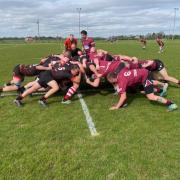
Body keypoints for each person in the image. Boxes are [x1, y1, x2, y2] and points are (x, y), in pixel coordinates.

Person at [107, 68, 178, 111]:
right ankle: (161, 91)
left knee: (151, 97)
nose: (112, 83)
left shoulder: (121, 81)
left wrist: (117, 107)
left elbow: (123, 96)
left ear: (113, 78)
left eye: (111, 82)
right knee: (142, 90)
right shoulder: (120, 74)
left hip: (145, 76)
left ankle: (171, 104)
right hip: (143, 74)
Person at [13, 62, 81, 107]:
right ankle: (42, 100)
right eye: (76, 72)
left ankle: (18, 99)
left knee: (33, 88)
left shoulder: (68, 66)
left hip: (46, 74)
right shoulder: (68, 73)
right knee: (56, 88)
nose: (76, 74)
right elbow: (77, 81)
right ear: (73, 70)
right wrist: (80, 72)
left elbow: (62, 63)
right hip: (49, 76)